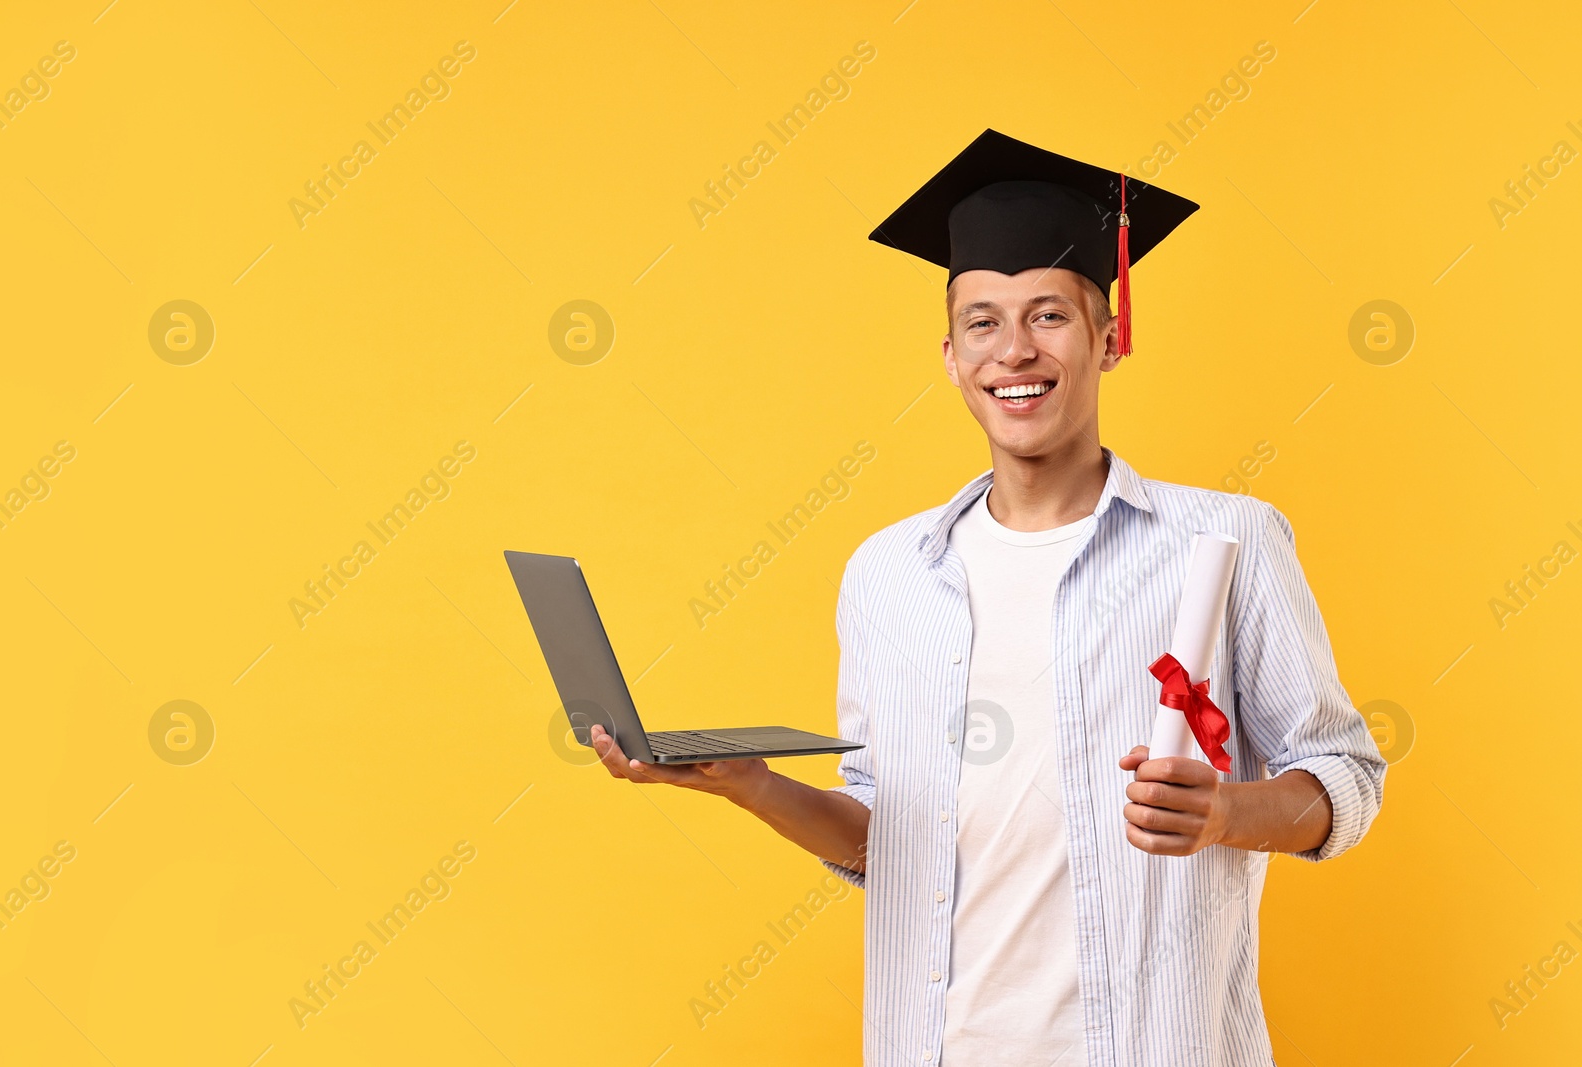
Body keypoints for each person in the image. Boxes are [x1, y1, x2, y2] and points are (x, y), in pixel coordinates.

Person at [589, 129, 1386, 1067]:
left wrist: (1227, 814)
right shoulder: (888, 574)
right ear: (951, 354)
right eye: (983, 321)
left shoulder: (1227, 541)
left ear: (1109, 336)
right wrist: (754, 786)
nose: (1015, 350)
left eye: (1049, 314)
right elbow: (886, 837)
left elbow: (1346, 778)